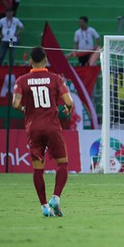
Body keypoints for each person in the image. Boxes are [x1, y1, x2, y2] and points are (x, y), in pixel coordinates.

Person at [12, 47, 74, 217]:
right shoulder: (56, 79)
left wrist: (25, 109)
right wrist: (68, 108)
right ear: (46, 60)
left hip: (33, 128)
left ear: (30, 61)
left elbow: (15, 104)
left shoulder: (22, 80)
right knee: (62, 164)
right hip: (52, 127)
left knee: (38, 169)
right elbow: (69, 101)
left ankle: (44, 207)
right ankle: (56, 197)